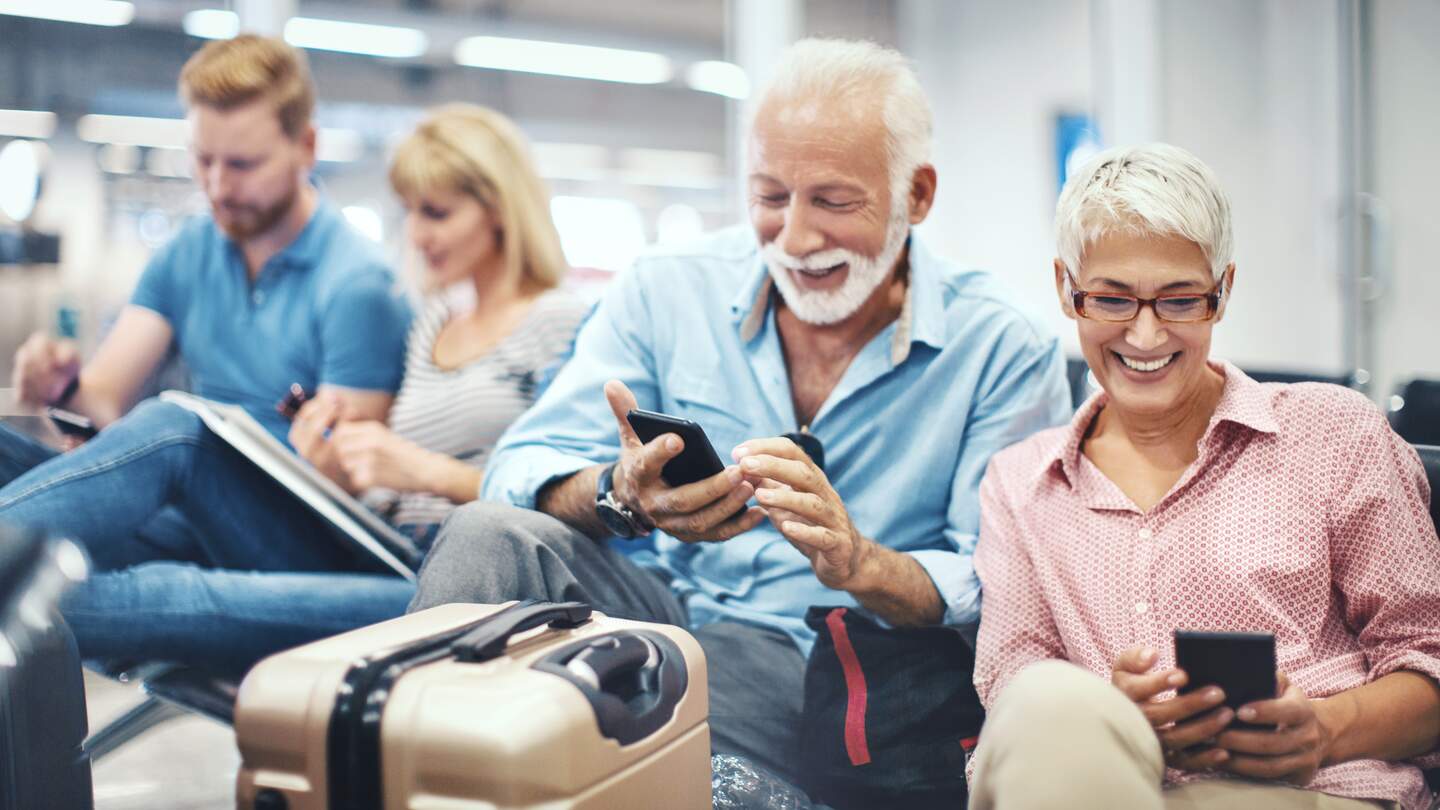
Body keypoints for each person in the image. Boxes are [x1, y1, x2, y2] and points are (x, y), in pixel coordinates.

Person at [406, 38, 1073, 781]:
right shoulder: (668, 287)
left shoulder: (1003, 348)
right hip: (655, 603)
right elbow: (518, 467)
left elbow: (1001, 585)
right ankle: (408, 777)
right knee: (484, 535)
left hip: (820, 651)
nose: (793, 239)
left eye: (832, 200)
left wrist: (860, 562)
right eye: (770, 197)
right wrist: (620, 492)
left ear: (917, 195)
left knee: (640, 726)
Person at [968, 143, 1440, 810]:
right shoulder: (1022, 484)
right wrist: (1110, 712)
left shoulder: (1333, 435)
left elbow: (1430, 659)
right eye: (1111, 299)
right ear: (1065, 288)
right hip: (1105, 786)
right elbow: (1012, 682)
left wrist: (1326, 729)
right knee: (1045, 703)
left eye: (1180, 301)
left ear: (1222, 292)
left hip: (1315, 792)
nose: (1146, 334)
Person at [56, 104, 591, 674]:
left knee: (167, 588)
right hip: (372, 549)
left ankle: (22, 600)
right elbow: (384, 476)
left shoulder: (557, 322)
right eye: (410, 212)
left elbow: (570, 498)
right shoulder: (433, 323)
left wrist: (420, 469)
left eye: (436, 213)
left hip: (453, 583)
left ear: (500, 211)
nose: (416, 235)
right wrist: (336, 465)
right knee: (162, 456)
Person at [0, 34, 410, 574]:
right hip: (186, 516)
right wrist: (64, 388)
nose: (217, 186)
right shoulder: (186, 254)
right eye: (203, 159)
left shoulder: (358, 284)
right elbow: (99, 406)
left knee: (177, 428)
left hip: (298, 543)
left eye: (242, 165)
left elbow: (342, 487)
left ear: (306, 148)